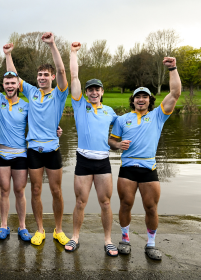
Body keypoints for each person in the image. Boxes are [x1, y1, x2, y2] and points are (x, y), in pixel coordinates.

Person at [108, 57, 181, 260]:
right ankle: (125, 239)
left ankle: (151, 244)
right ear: (133, 99)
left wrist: (172, 68)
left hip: (149, 168)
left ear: (150, 100)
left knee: (151, 207)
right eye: (138, 96)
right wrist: (117, 145)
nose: (141, 99)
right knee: (125, 205)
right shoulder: (123, 119)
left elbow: (175, 93)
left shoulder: (158, 115)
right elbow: (111, 142)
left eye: (145, 97)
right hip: (128, 168)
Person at [4, 32, 70, 246]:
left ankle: (58, 230)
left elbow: (61, 69)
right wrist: (8, 54)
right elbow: (12, 75)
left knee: (56, 190)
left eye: (45, 74)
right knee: (35, 190)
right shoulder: (31, 91)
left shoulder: (59, 94)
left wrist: (52, 45)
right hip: (33, 149)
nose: (42, 77)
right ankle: (40, 229)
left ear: (51, 78)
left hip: (52, 150)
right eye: (39, 74)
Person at [64, 42, 118, 256]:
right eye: (90, 89)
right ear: (85, 92)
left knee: (105, 202)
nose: (93, 92)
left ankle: (108, 240)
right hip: (84, 160)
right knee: (80, 201)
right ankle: (75, 237)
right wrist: (74, 53)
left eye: (97, 89)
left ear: (102, 92)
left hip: (103, 161)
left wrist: (119, 145)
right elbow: (74, 77)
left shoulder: (110, 111)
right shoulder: (79, 105)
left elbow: (120, 135)